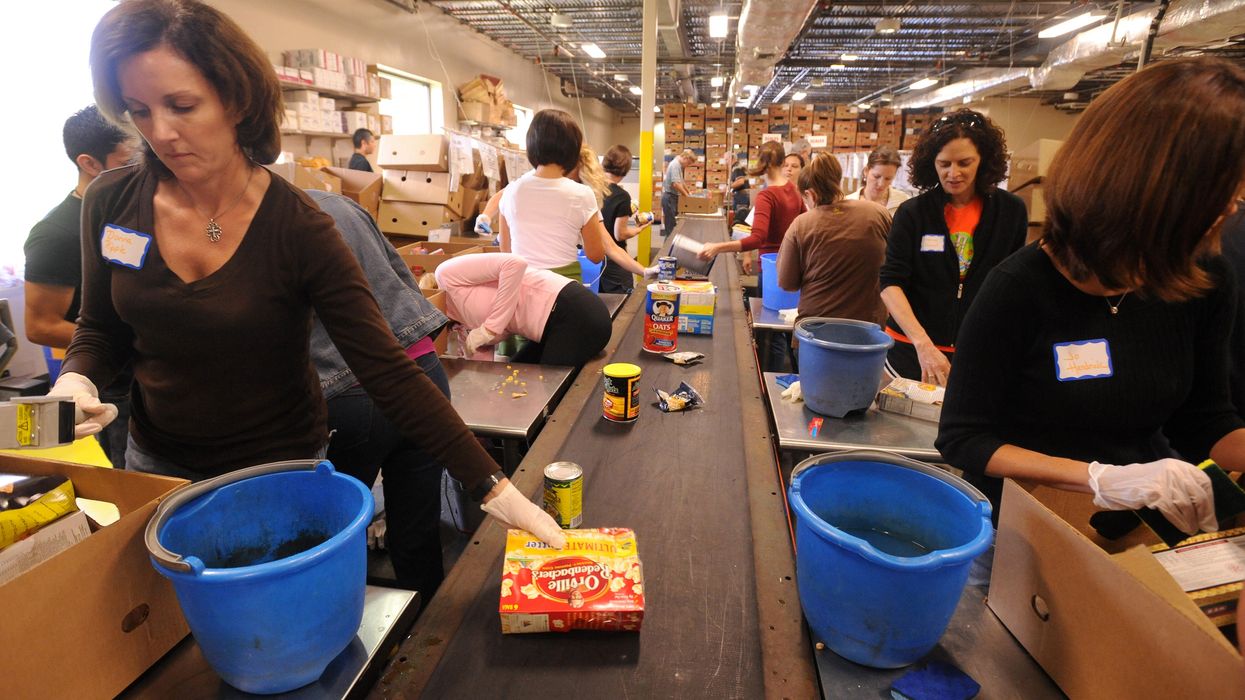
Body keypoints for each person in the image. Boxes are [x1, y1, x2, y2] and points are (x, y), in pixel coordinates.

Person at [56, 0, 562, 550]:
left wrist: (494, 487)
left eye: (182, 105)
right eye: (140, 110)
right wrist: (77, 377)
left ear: (236, 98)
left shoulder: (301, 227)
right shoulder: (112, 201)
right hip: (158, 464)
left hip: (282, 473)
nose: (162, 132)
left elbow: (386, 369)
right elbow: (100, 328)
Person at [936, 57, 1245, 541]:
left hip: (1141, 526)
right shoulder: (1019, 288)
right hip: (1027, 527)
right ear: (1152, 190)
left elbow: (1205, 417)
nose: (1232, 206)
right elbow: (963, 438)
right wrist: (1100, 478)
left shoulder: (1203, 280)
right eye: (1222, 190)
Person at [306, 189, 452, 598]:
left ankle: (340, 641)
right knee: (419, 531)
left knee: (331, 537)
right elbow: (402, 278)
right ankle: (423, 639)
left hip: (347, 390)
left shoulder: (245, 225)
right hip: (422, 371)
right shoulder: (338, 203)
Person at [878, 109, 1027, 385]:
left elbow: (1013, 285)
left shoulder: (1011, 212)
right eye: (944, 163)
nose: (953, 173)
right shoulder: (913, 213)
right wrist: (923, 345)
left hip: (976, 353)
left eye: (964, 162)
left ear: (983, 160)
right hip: (910, 350)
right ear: (931, 163)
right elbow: (890, 283)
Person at [23, 105, 136, 467]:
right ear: (89, 163)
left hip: (157, 377)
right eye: (129, 159)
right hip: (115, 382)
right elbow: (41, 324)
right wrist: (127, 345)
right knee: (133, 478)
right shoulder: (55, 235)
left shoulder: (137, 207)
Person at [435, 253, 612, 367]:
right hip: (550, 330)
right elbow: (482, 360)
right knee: (517, 371)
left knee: (548, 391)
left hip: (574, 313)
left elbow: (514, 264)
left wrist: (490, 328)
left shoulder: (446, 275)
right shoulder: (456, 323)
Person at [777, 153, 890, 326]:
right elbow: (895, 264)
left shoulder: (801, 225)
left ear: (811, 195)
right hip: (869, 329)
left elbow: (787, 283)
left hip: (816, 329)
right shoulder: (878, 214)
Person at [497, 109, 604, 282]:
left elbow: (505, 251)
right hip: (563, 290)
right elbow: (596, 255)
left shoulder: (511, 191)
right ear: (573, 150)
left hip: (521, 287)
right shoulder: (582, 194)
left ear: (531, 145)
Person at [698, 141, 804, 263]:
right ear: (783, 162)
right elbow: (806, 224)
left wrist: (717, 247)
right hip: (793, 262)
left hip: (771, 263)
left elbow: (757, 239)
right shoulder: (793, 190)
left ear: (760, 162)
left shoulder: (766, 196)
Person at [599, 145, 653, 294]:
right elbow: (619, 234)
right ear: (626, 168)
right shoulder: (621, 196)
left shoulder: (593, 188)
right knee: (623, 301)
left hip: (593, 257)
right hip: (615, 260)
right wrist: (637, 229)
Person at [845, 146, 911, 214]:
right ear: (866, 171)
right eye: (876, 176)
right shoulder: (848, 203)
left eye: (888, 178)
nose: (881, 184)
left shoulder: (902, 201)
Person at [661, 148, 694, 236]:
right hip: (669, 198)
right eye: (688, 163)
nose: (687, 165)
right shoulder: (675, 165)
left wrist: (689, 193)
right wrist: (686, 195)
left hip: (672, 198)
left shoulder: (678, 166)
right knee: (671, 229)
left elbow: (681, 182)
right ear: (685, 158)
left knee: (673, 227)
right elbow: (675, 184)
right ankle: (668, 249)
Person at [729, 152, 750, 222]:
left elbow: (740, 181)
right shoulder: (736, 167)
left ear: (732, 159)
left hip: (741, 198)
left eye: (726, 160)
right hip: (741, 196)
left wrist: (728, 187)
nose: (725, 162)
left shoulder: (736, 167)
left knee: (740, 219)